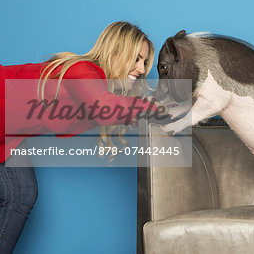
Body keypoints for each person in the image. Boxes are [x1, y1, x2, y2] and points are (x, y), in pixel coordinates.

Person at [0, 21, 162, 253]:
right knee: (20, 195)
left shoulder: (100, 85)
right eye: (136, 58)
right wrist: (153, 107)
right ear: (116, 52)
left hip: (10, 135)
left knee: (22, 195)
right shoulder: (83, 70)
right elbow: (103, 107)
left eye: (145, 62)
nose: (141, 68)